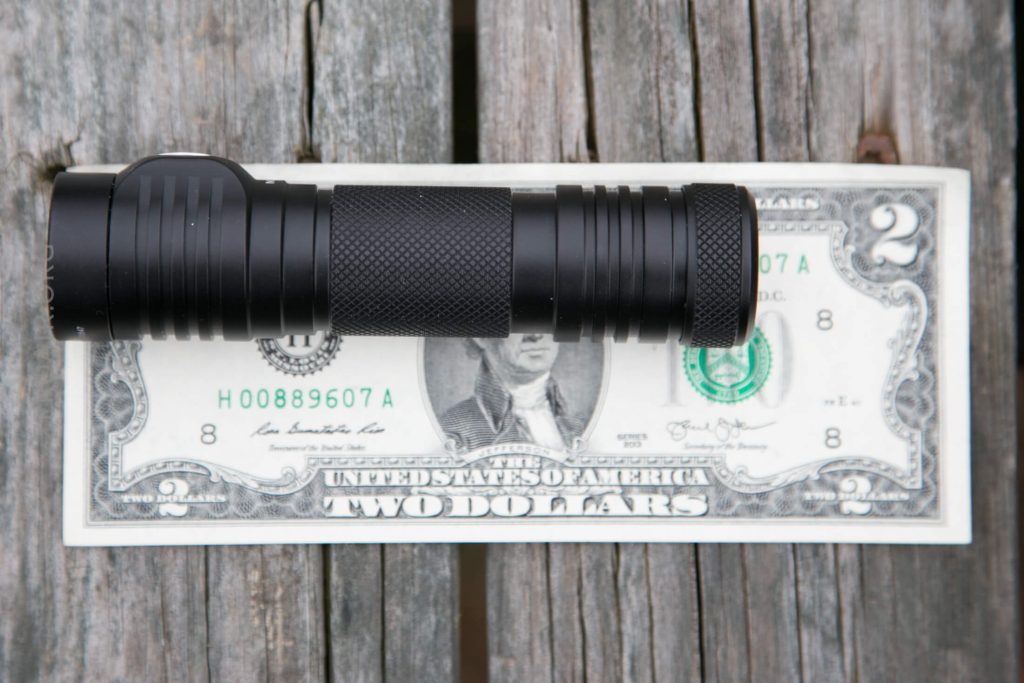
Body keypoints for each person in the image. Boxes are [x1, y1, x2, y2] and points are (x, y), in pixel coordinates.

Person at [440, 334, 584, 451]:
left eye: (546, 318)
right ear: (481, 337)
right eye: (518, 321)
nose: (536, 335)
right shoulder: (454, 430)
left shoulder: (578, 425)